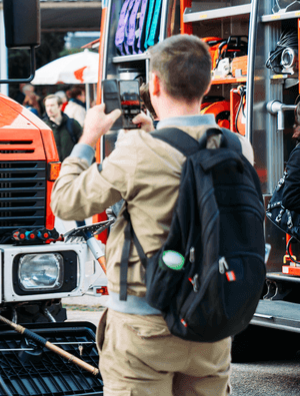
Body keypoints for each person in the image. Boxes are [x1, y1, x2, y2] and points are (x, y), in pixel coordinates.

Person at [51, 35, 253, 396]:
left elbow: (66, 202)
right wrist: (152, 137)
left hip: (144, 326)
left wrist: (88, 138)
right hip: (211, 319)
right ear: (207, 84)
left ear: (155, 84)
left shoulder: (137, 151)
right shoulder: (238, 147)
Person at [42, 94, 83, 161]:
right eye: (47, 106)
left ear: (60, 106)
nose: (49, 109)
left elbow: (82, 144)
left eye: (52, 105)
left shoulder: (72, 124)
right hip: (52, 167)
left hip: (70, 166)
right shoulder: (43, 126)